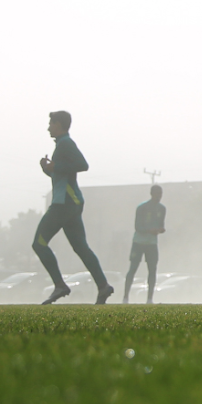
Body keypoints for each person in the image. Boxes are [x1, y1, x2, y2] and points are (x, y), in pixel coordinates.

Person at [33, 111, 114, 305]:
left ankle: (60, 285)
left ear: (59, 124)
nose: (48, 127)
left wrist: (55, 167)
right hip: (71, 203)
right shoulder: (61, 144)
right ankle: (103, 286)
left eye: (51, 123)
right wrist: (48, 169)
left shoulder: (66, 143)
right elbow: (63, 175)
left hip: (64, 204)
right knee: (81, 248)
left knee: (39, 243)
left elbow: (82, 165)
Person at [122, 184, 167, 304]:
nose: (159, 197)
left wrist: (160, 229)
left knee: (152, 270)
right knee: (133, 268)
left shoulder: (162, 209)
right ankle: (125, 297)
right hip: (138, 242)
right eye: (157, 194)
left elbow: (161, 224)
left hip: (152, 243)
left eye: (160, 194)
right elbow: (137, 226)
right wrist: (148, 230)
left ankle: (149, 299)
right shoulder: (142, 207)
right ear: (151, 194)